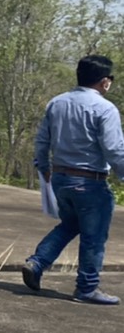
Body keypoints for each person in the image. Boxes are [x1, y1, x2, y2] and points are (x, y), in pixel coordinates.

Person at [22, 54, 124, 305]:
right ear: (105, 81)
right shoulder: (105, 109)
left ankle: (37, 262)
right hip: (90, 182)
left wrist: (44, 167)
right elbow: (114, 149)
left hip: (60, 178)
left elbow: (42, 141)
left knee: (70, 225)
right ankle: (86, 288)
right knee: (94, 237)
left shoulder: (57, 103)